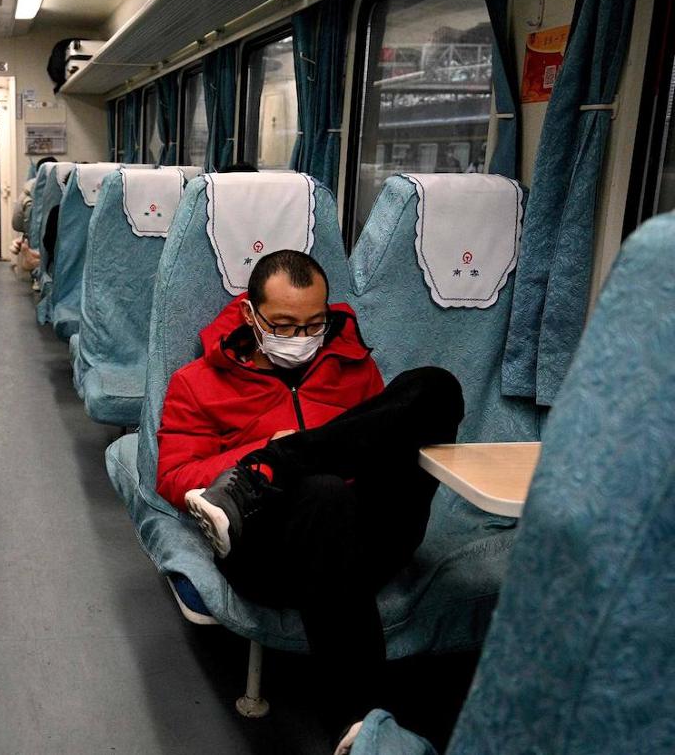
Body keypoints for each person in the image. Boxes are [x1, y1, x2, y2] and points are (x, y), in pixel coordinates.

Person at [155, 250, 464, 723]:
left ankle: (279, 461)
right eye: (282, 325)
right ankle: (361, 722)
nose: (300, 339)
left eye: (313, 324)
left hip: (363, 535)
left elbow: (377, 447)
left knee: (435, 387)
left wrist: (285, 455)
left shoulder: (352, 364)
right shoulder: (197, 384)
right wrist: (255, 450)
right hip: (269, 550)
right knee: (322, 491)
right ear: (249, 314)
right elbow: (174, 477)